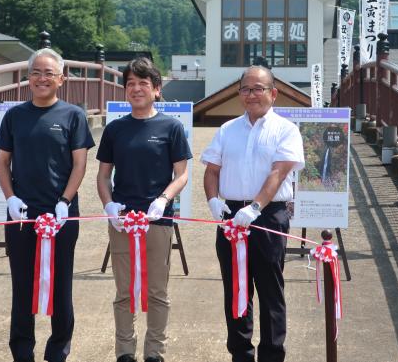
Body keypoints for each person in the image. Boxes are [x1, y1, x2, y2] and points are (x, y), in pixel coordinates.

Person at [0, 48, 95, 362]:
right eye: (36, 72)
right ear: (28, 78)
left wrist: (65, 201)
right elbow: (2, 163)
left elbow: (80, 164)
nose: (42, 78)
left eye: (49, 73)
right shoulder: (15, 116)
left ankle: (58, 351)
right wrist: (10, 198)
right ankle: (22, 351)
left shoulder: (73, 116)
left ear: (61, 79)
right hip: (22, 216)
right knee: (22, 286)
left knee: (60, 286)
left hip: (61, 216)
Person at [201, 65, 304, 362]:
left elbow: (278, 172)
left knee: (270, 289)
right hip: (231, 215)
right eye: (245, 89)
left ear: (273, 93)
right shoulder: (227, 129)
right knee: (235, 289)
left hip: (268, 214)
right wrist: (212, 201)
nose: (251, 95)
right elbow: (212, 170)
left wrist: (256, 206)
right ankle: (240, 354)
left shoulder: (286, 129)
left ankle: (272, 355)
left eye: (258, 88)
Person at [96, 57, 192, 362]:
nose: (136, 89)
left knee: (157, 292)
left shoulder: (171, 127)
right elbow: (102, 175)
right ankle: (125, 351)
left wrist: (164, 199)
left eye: (143, 83)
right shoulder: (115, 129)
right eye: (130, 84)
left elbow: (183, 174)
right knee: (124, 291)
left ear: (157, 89)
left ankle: (155, 352)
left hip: (158, 220)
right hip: (123, 221)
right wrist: (108, 205)